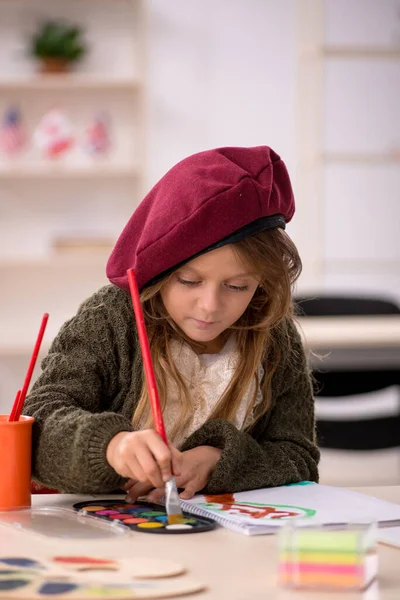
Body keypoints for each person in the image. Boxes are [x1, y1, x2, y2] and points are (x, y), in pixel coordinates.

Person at [24, 145, 319, 502]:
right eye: (189, 281)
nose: (210, 306)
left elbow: (299, 456)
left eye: (237, 286)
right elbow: (38, 422)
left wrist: (217, 460)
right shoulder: (112, 317)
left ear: (262, 282)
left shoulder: (273, 334)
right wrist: (113, 447)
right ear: (161, 271)